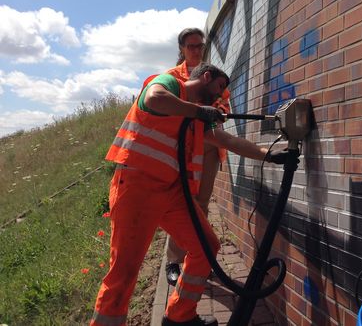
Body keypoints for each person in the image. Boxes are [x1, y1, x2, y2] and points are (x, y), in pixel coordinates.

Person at [91, 63, 291, 326]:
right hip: (137, 187)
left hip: (172, 192)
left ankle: (179, 316)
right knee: (124, 272)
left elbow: (227, 141)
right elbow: (154, 98)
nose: (220, 96)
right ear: (206, 76)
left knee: (207, 246)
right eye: (219, 87)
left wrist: (270, 155)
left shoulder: (195, 118)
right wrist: (199, 111)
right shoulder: (171, 84)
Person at [163, 28, 231, 286]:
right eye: (191, 46)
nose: (196, 50)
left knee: (201, 203)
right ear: (181, 48)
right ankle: (173, 261)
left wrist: (218, 110)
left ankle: (198, 261)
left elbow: (224, 104)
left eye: (200, 45)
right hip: (186, 148)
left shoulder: (213, 75)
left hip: (210, 147)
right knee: (185, 204)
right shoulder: (172, 77)